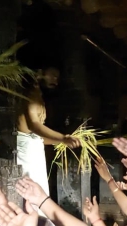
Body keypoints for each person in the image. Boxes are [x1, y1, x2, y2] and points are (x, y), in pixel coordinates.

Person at [16, 66, 80, 195]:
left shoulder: (38, 95)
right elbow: (34, 126)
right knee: (31, 194)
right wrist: (62, 138)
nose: (56, 81)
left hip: (33, 152)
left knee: (39, 194)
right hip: (26, 154)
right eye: (53, 75)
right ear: (40, 72)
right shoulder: (30, 95)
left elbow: (37, 137)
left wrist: (62, 141)